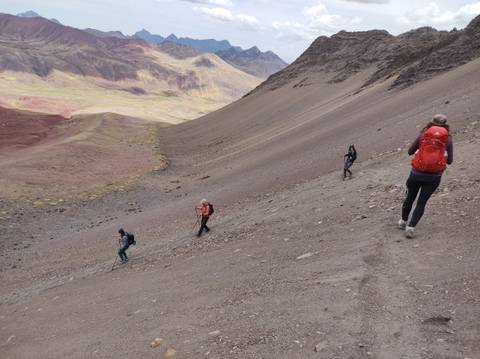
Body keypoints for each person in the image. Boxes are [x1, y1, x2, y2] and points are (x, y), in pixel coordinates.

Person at [399, 114, 453, 238]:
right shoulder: (448, 140)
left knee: (410, 198)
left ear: (431, 123)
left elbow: (410, 151)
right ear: (446, 125)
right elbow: (449, 160)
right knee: (421, 202)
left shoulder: (423, 135)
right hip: (434, 177)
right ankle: (410, 228)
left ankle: (403, 222)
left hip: (416, 173)